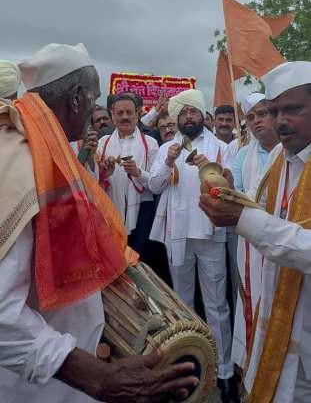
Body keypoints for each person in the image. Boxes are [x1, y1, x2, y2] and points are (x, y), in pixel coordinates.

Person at [0, 43, 198, 403]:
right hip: (33, 385)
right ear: (76, 98)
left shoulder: (44, 146)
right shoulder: (21, 161)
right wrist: (92, 375)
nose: (95, 111)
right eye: (93, 101)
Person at [200, 61, 311, 402]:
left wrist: (242, 219)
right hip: (280, 324)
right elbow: (275, 219)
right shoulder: (282, 159)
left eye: (292, 109)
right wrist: (232, 198)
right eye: (274, 111)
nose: (279, 121)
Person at [149, 89, 238, 403]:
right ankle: (188, 371)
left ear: (203, 115)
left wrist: (209, 171)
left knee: (216, 308)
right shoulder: (165, 147)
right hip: (178, 234)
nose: (188, 117)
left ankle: (225, 374)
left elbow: (231, 191)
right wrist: (168, 161)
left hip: (210, 234)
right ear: (177, 118)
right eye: (182, 113)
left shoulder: (222, 148)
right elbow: (154, 185)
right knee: (182, 307)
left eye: (193, 112)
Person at [230, 93, 279, 371]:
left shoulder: (291, 151)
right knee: (252, 300)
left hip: (287, 241)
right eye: (251, 117)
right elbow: (233, 193)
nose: (257, 121)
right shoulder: (242, 155)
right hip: (251, 243)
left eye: (262, 114)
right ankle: (252, 370)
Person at [98, 93, 159, 259]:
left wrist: (138, 173)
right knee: (113, 259)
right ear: (112, 115)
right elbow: (94, 180)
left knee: (139, 261)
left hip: (142, 212)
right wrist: (104, 173)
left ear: (137, 114)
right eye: (120, 113)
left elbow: (156, 184)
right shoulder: (103, 143)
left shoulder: (150, 143)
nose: (125, 117)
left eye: (129, 112)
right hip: (111, 210)